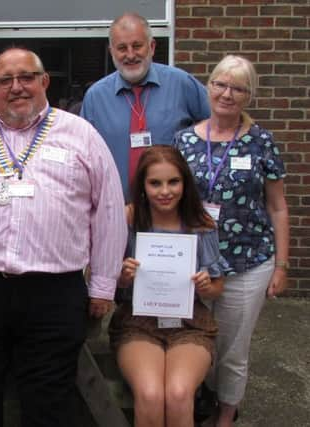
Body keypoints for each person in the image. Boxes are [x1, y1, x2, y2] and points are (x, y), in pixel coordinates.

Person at [0, 47, 127, 427]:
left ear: (44, 82)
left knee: (49, 402)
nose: (16, 87)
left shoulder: (81, 135)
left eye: (26, 77)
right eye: (5, 80)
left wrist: (102, 284)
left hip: (54, 291)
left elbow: (110, 212)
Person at [173, 55, 290, 427]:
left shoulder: (262, 142)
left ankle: (226, 413)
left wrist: (282, 266)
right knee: (193, 340)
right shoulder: (185, 140)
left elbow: (278, 207)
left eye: (237, 88)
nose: (227, 94)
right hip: (196, 263)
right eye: (220, 84)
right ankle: (201, 398)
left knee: (232, 348)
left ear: (248, 96)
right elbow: (170, 199)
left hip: (248, 262)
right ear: (208, 87)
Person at [109, 145, 227, 427]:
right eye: (155, 183)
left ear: (185, 183)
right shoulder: (128, 218)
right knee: (150, 394)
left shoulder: (201, 223)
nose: (165, 191)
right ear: (142, 186)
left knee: (178, 393)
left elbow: (218, 287)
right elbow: (105, 280)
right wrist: (122, 276)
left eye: (173, 181)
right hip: (138, 321)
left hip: (190, 322)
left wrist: (205, 285)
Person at [80, 12, 210, 198]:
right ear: (111, 52)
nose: (130, 55)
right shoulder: (96, 97)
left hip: (172, 211)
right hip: (118, 211)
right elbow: (84, 156)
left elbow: (219, 128)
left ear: (152, 46)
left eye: (137, 46)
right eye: (122, 48)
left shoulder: (181, 84)